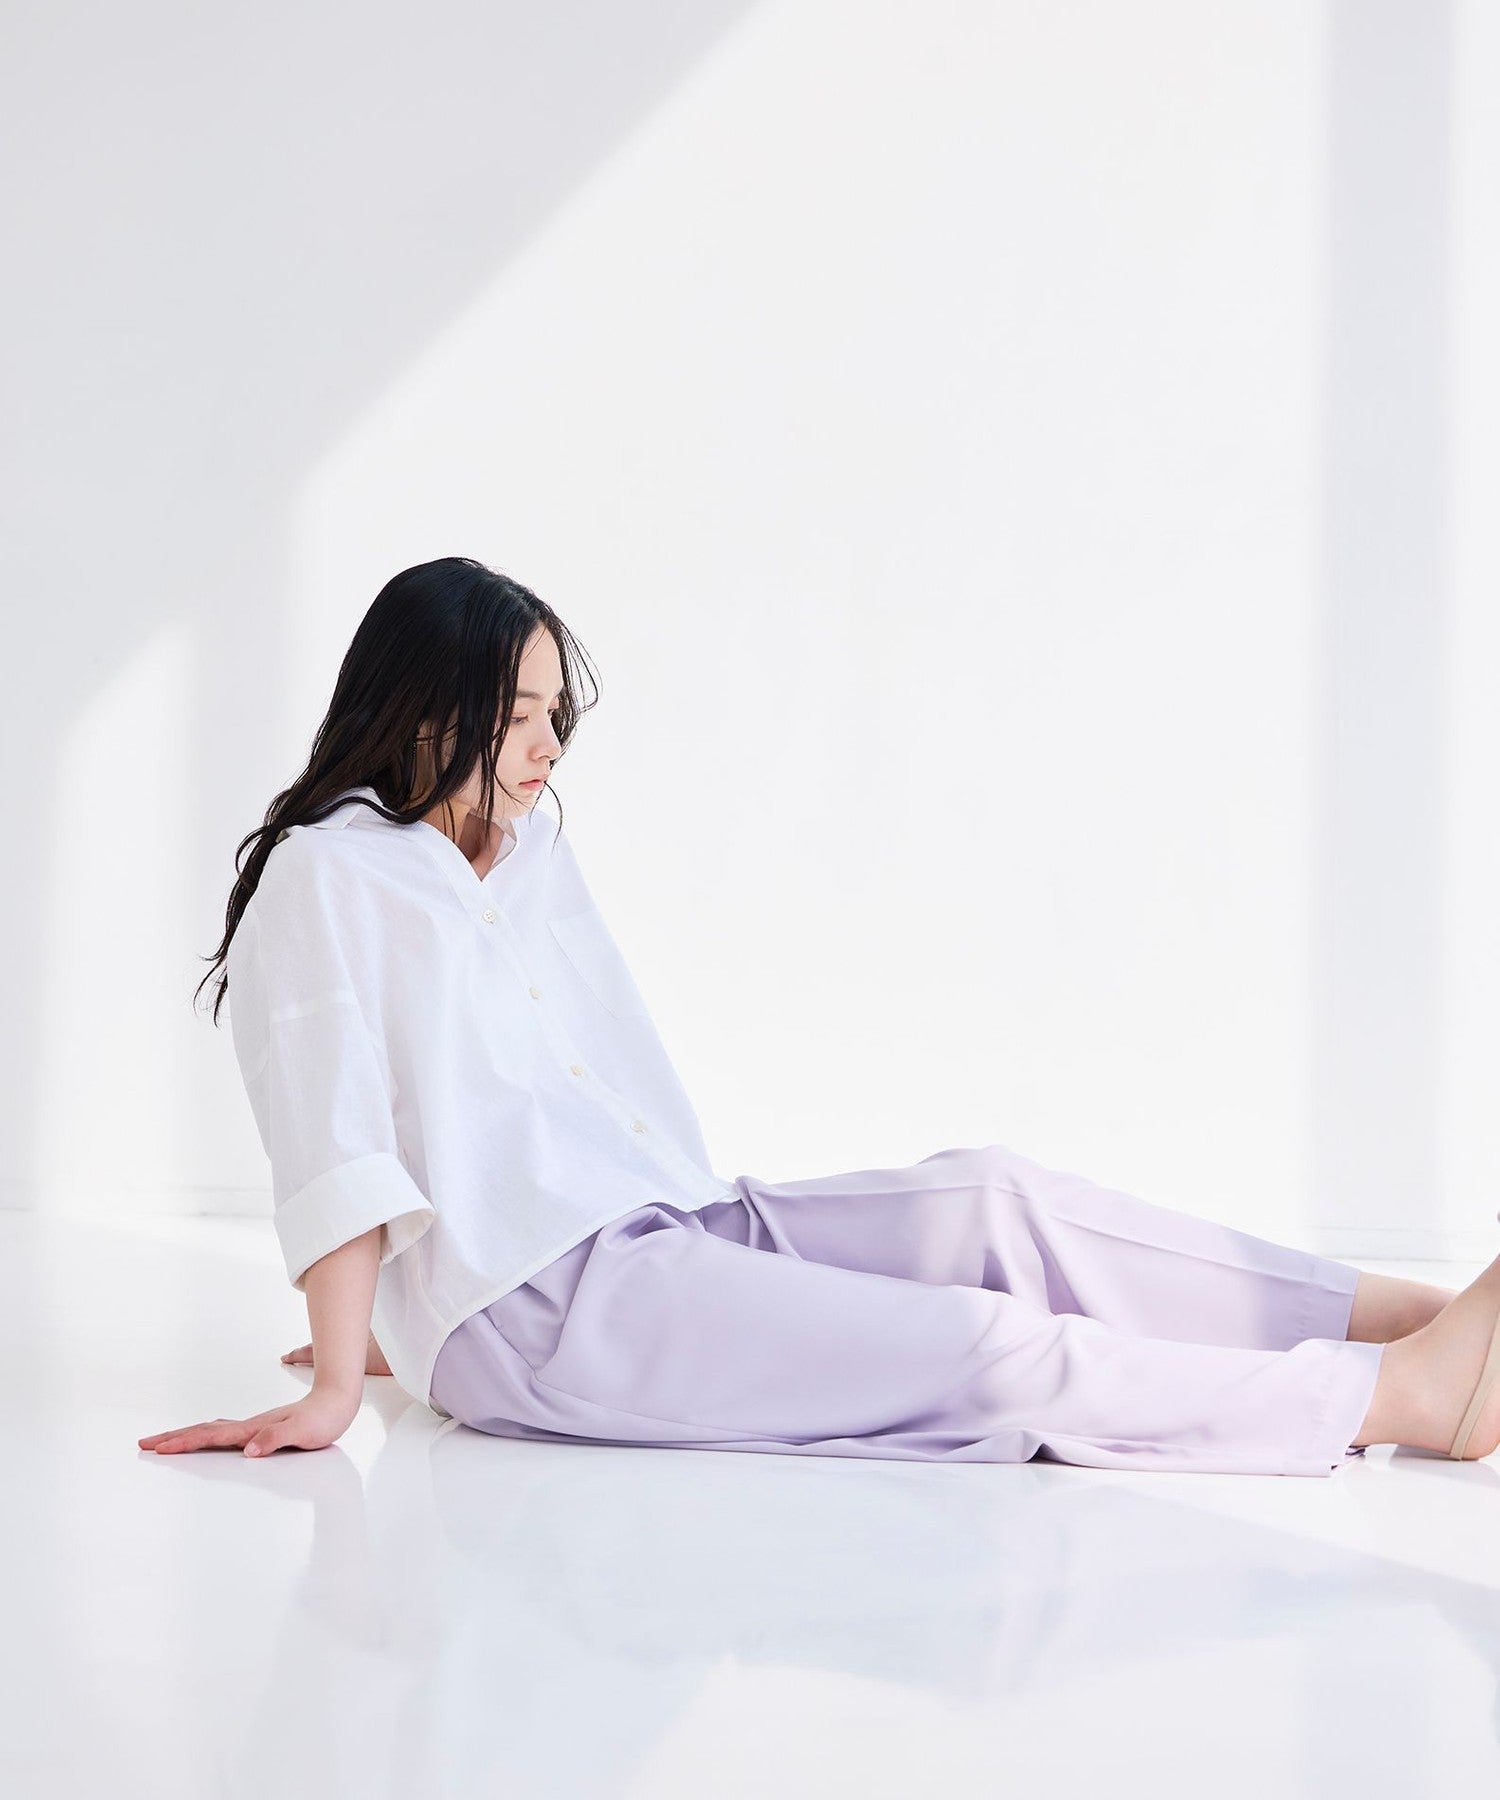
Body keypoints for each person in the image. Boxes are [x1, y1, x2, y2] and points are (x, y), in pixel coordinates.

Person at [139, 556, 1500, 1472]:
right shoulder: (327, 875)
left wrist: (406, 1322)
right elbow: (337, 1140)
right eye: (521, 714)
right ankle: (1403, 1401)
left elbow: (526, 1106)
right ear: (428, 706)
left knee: (993, 1201)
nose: (551, 745)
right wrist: (347, 1376)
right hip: (543, 1314)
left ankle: (1417, 1322)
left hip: (661, 1220)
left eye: (559, 714)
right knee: (984, 1355)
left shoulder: (523, 846)